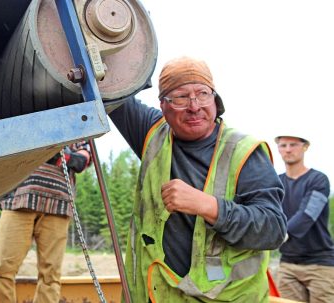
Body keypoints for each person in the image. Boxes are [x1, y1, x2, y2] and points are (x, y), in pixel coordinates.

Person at [108, 56, 287, 302]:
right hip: (157, 295)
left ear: (215, 99)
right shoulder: (152, 134)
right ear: (163, 105)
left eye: (202, 94)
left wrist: (208, 206)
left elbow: (273, 229)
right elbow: (109, 84)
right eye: (181, 97)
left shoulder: (244, 152)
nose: (194, 106)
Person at [0, 141, 91, 303]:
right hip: (18, 196)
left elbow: (85, 157)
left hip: (58, 202)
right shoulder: (19, 115)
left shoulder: (73, 118)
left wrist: (66, 157)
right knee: (1, 270)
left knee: (51, 276)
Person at [275, 134, 334, 302]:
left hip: (320, 264)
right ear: (278, 149)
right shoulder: (275, 183)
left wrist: (281, 234)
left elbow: (308, 214)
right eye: (283, 145)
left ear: (305, 147)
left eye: (293, 144)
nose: (288, 149)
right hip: (287, 264)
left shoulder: (318, 179)